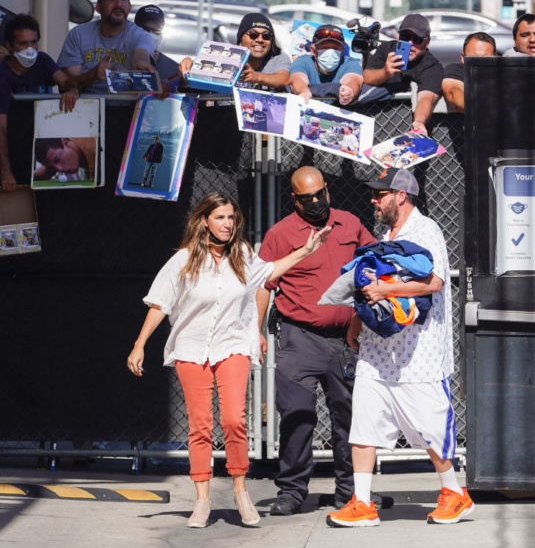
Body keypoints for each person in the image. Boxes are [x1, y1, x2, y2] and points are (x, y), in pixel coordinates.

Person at [126, 192, 331, 528]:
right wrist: (140, 344)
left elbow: (270, 270)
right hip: (191, 350)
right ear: (204, 220)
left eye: (232, 218)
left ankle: (240, 493)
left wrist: (306, 250)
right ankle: (202, 501)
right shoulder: (184, 260)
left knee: (234, 420)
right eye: (220, 217)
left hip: (232, 345)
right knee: (200, 425)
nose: (227, 224)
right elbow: (160, 304)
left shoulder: (243, 256)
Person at [327, 168, 473, 528]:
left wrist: (386, 291)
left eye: (380, 194)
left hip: (417, 353)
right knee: (363, 422)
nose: (373, 200)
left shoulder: (426, 230)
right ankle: (361, 502)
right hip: (378, 351)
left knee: (429, 424)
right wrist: (357, 319)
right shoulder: (385, 234)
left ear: (401, 196)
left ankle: (455, 493)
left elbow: (435, 281)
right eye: (374, 194)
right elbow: (372, 285)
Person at [255, 166, 386, 517]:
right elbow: (263, 284)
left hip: (346, 340)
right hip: (300, 338)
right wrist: (256, 332)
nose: (316, 202)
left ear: (327, 190)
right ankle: (292, 491)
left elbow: (376, 262)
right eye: (307, 198)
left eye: (320, 194)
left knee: (350, 418)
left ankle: (351, 493)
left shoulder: (350, 223)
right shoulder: (280, 234)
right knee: (297, 417)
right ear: (294, 199)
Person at [0, 14, 80, 190]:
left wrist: (72, 89)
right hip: (14, 151)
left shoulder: (42, 60)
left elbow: (66, 81)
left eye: (33, 42)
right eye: (23, 44)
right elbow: (1, 128)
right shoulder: (3, 74)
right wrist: (5, 171)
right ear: (9, 46)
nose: (30, 49)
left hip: (41, 149)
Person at [57, 0, 155, 95]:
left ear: (129, 7)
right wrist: (93, 74)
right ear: (98, 7)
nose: (118, 4)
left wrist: (141, 63)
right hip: (86, 106)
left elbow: (141, 54)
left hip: (127, 109)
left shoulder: (141, 35)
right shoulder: (78, 34)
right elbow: (69, 82)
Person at [363, 13, 444, 136]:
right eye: (406, 37)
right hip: (372, 120)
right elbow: (366, 76)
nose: (410, 43)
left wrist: (419, 122)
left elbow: (426, 98)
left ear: (427, 42)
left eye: (417, 39)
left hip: (401, 127)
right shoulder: (386, 49)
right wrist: (384, 73)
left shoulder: (431, 66)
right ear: (398, 37)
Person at [179, 13, 290, 91]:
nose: (260, 40)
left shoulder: (278, 58)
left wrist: (256, 77)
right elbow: (204, 68)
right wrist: (190, 64)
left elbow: (284, 79)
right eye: (253, 35)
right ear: (240, 41)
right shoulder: (227, 54)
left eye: (266, 36)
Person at [289, 25, 363, 105]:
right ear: (313, 51)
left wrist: (349, 90)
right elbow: (297, 78)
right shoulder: (302, 61)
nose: (330, 52)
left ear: (342, 51)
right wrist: (303, 91)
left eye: (335, 48)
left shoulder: (350, 63)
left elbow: (354, 80)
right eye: (324, 47)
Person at [442, 32, 497, 113]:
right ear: (463, 57)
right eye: (474, 58)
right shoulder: (456, 70)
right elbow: (454, 93)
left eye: (486, 59)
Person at [134, 5, 181, 93]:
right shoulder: (122, 62)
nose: (149, 35)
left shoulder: (174, 71)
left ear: (162, 33)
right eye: (145, 30)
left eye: (155, 30)